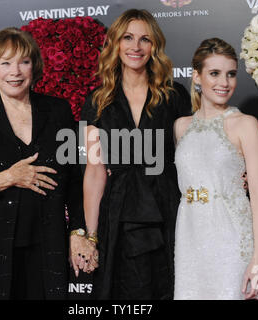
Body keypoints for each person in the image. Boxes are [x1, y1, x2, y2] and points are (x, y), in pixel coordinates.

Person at [0, 27, 94, 300]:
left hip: (48, 248)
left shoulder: (58, 111)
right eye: (5, 63)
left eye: (23, 62)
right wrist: (8, 177)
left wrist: (78, 231)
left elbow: (75, 182)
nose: (14, 72)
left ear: (34, 67)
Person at [81, 9, 191, 299]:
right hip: (118, 213)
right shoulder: (97, 101)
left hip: (167, 209)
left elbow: (191, 157)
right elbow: (94, 172)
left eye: (145, 39)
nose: (136, 46)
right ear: (116, 44)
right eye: (128, 38)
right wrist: (90, 237)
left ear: (154, 46)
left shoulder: (174, 96)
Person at [173, 38, 258, 300]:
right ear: (196, 76)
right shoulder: (181, 127)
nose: (224, 83)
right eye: (214, 73)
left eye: (230, 74)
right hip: (189, 238)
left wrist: (257, 260)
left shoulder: (246, 124)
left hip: (231, 239)